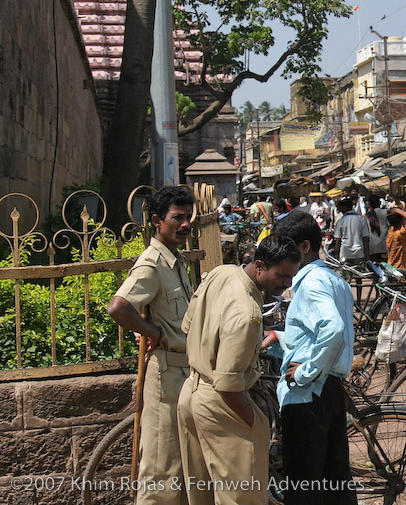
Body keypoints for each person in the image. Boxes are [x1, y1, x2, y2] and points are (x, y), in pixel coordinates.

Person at [178, 236, 300, 505]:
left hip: (191, 392)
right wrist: (253, 421)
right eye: (281, 276)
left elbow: (187, 325)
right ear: (259, 266)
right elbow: (229, 385)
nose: (286, 284)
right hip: (222, 403)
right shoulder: (248, 313)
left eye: (291, 277)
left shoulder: (222, 273)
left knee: (203, 494)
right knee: (242, 497)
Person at [107, 186, 195, 505]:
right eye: (177, 218)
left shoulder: (176, 261)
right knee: (162, 472)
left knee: (183, 469)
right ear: (158, 221)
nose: (185, 224)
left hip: (184, 374)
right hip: (165, 376)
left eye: (188, 217)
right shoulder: (152, 263)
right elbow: (119, 307)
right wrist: (151, 332)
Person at [271, 213, 356, 505]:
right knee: (335, 482)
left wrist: (306, 371)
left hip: (308, 394)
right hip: (329, 388)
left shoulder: (311, 283)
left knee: (304, 486)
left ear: (304, 247)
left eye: (287, 247)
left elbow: (333, 329)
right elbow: (318, 334)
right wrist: (280, 339)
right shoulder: (334, 279)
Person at [332, 197, 370, 264]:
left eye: (340, 207)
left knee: (344, 274)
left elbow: (337, 240)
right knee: (359, 274)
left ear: (345, 207)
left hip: (345, 254)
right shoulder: (361, 220)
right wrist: (367, 255)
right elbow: (365, 239)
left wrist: (336, 256)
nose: (340, 210)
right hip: (359, 254)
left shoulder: (340, 222)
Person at [365, 194, 389, 263]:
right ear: (380, 203)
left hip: (373, 248)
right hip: (385, 246)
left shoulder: (367, 216)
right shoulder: (386, 212)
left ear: (369, 204)